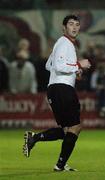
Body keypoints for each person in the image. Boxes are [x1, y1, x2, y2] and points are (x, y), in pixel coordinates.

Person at [23, 14, 91, 171]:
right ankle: (60, 165)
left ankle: (34, 138)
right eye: (71, 24)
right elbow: (59, 66)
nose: (74, 27)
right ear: (64, 27)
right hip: (63, 89)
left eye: (77, 24)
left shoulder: (61, 44)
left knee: (66, 130)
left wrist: (74, 69)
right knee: (75, 127)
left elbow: (49, 65)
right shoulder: (65, 43)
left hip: (55, 89)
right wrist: (78, 65)